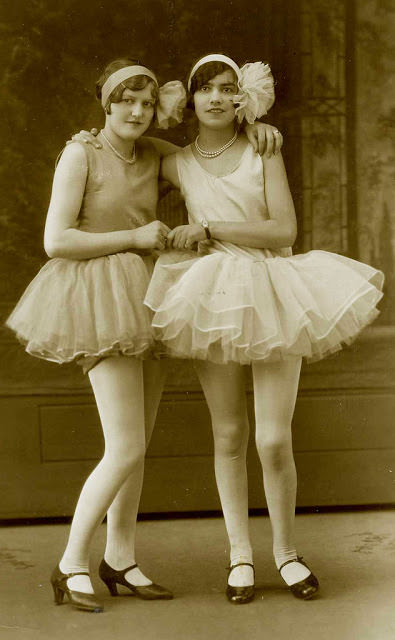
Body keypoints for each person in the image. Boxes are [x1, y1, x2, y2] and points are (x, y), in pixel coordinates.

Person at [6, 57, 283, 612]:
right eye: (124, 101)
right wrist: (135, 234)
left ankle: (121, 558)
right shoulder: (80, 154)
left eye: (145, 102)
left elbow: (211, 160)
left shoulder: (155, 153)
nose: (136, 111)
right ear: (105, 104)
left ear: (156, 107)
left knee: (138, 444)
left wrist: (253, 127)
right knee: (125, 444)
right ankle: (70, 563)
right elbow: (55, 241)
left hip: (148, 297)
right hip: (94, 299)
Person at [144, 53, 384, 604]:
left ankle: (287, 552)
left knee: (273, 438)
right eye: (205, 88)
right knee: (229, 434)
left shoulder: (263, 149)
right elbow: (125, 151)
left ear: (244, 97)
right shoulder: (177, 160)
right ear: (189, 99)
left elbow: (283, 230)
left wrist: (207, 226)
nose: (216, 98)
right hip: (211, 295)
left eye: (229, 88)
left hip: (273, 290)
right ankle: (240, 556)